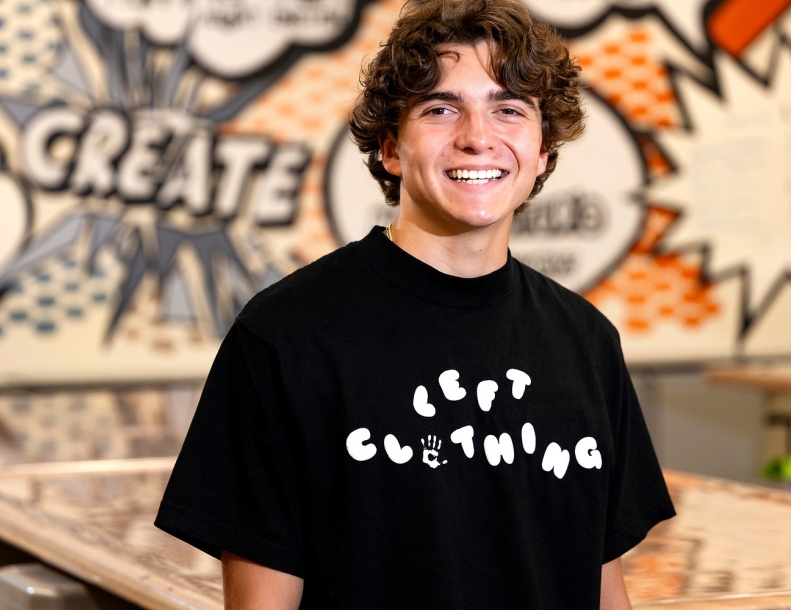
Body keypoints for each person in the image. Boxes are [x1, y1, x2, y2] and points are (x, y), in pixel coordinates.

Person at [154, 0, 675, 607]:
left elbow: (601, 580)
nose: (478, 138)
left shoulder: (586, 341)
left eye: (508, 109)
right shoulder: (286, 335)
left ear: (542, 154)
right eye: (440, 109)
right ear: (391, 149)